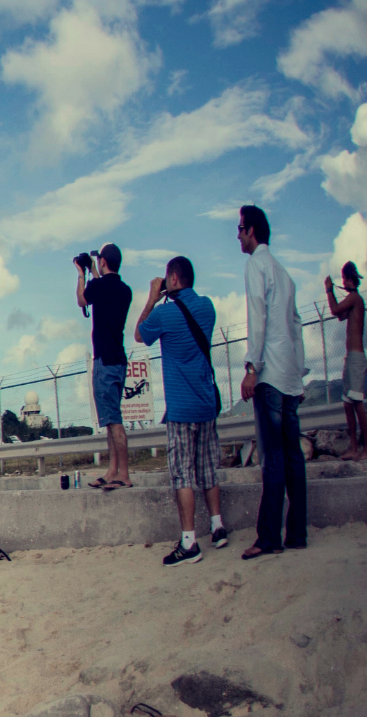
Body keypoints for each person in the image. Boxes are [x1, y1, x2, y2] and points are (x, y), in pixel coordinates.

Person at [135, 255, 227, 564]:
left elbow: (139, 334)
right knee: (208, 469)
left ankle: (189, 543)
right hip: (206, 404)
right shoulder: (208, 307)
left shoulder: (165, 315)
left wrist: (152, 298)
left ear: (173, 279)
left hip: (180, 410)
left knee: (183, 476)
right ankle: (218, 527)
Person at [238, 205, 308, 557]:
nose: (237, 236)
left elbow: (257, 316)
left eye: (239, 229)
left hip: (269, 376)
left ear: (251, 230)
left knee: (273, 457)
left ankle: (268, 538)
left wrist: (252, 366)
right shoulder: (284, 273)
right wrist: (301, 372)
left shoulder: (256, 265)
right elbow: (296, 327)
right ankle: (297, 533)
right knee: (294, 455)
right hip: (290, 376)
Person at [77, 243, 134, 490]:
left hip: (104, 362)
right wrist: (95, 271)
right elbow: (103, 288)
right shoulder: (125, 290)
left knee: (114, 421)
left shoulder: (97, 286)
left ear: (102, 262)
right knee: (111, 419)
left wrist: (82, 273)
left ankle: (124, 474)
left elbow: (82, 300)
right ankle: (113, 471)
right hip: (119, 359)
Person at [326, 262, 365, 459]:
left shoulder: (355, 298)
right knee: (348, 403)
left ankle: (366, 448)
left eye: (344, 278)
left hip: (356, 358)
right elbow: (340, 316)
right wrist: (333, 293)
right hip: (351, 358)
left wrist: (328, 291)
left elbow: (334, 310)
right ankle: (353, 447)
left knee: (357, 402)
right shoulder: (352, 300)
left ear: (348, 279)